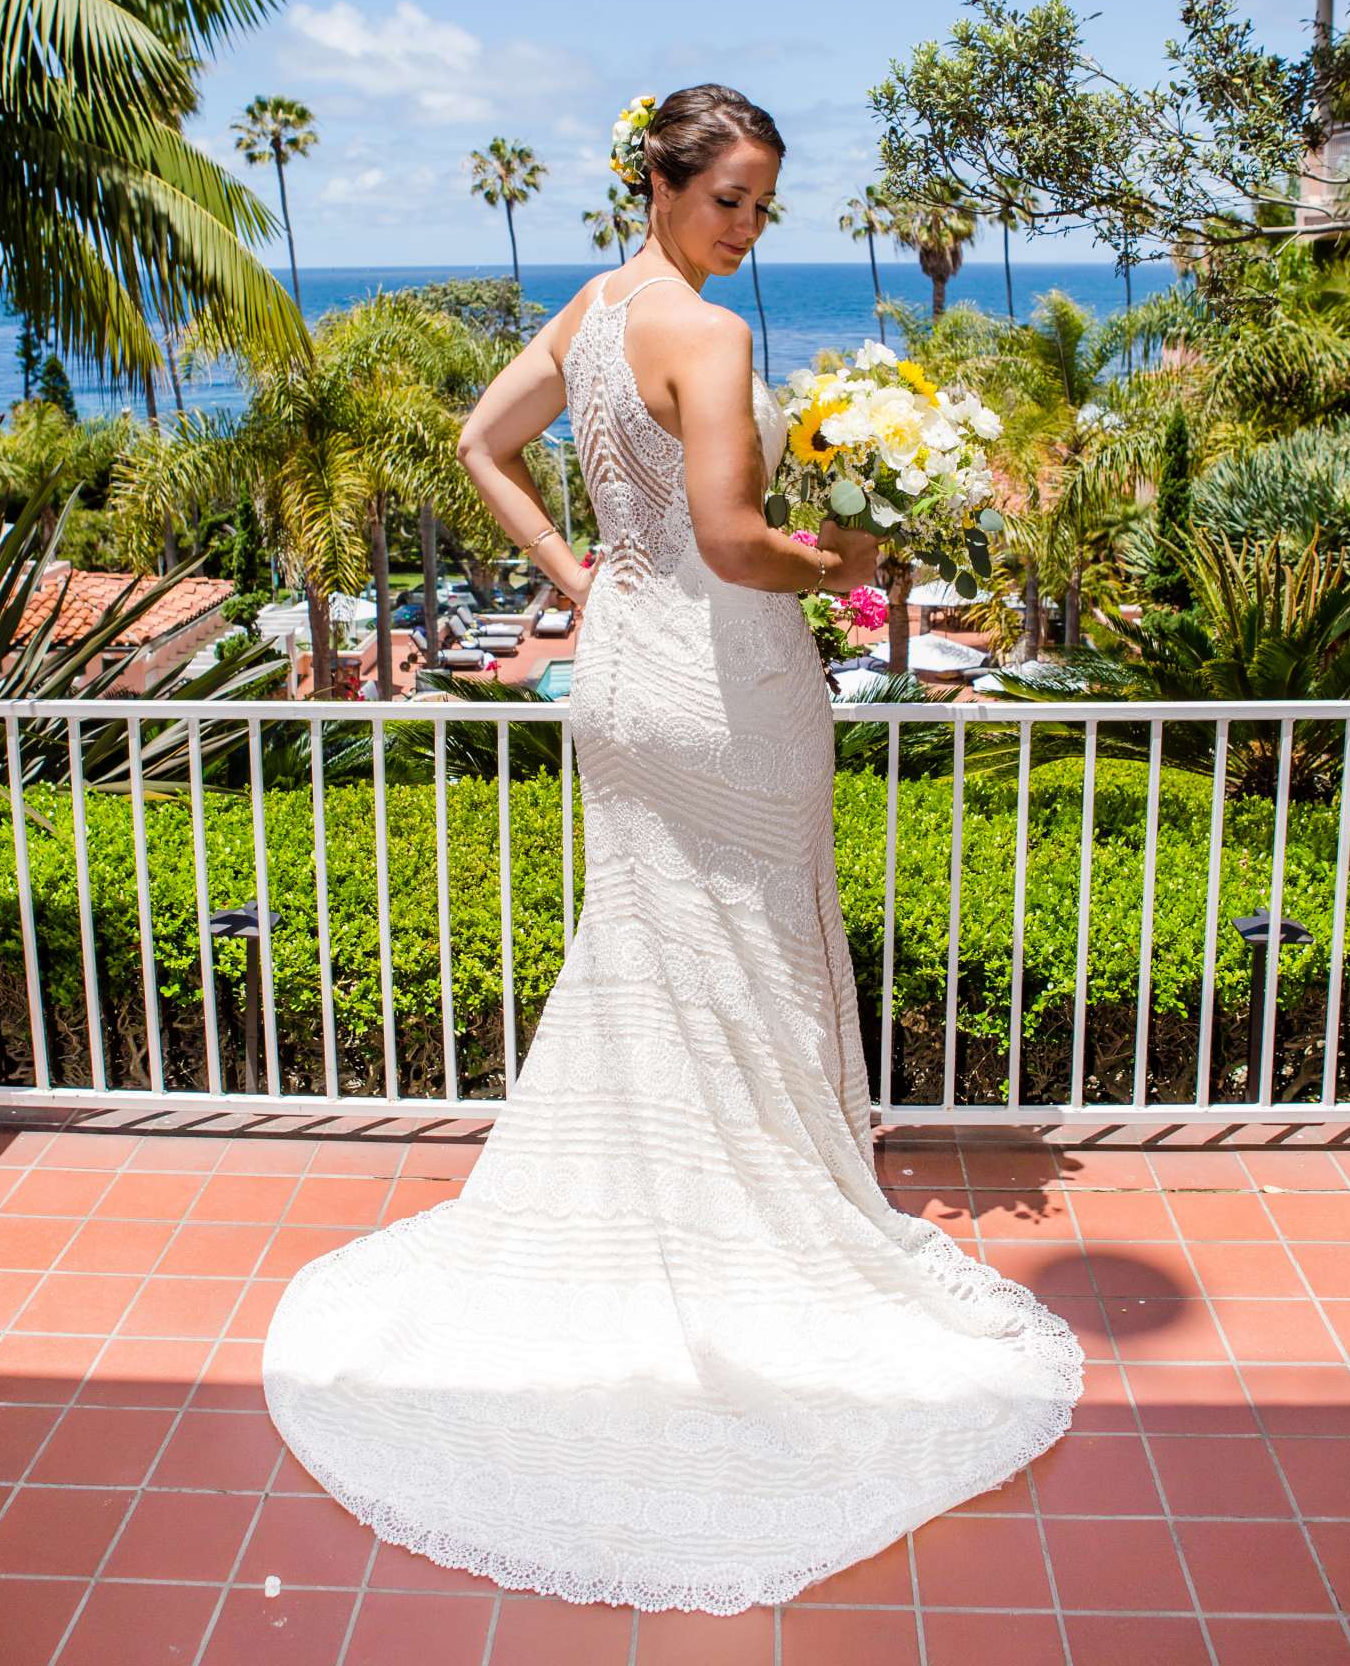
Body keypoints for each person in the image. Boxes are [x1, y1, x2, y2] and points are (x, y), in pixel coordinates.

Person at [263, 83, 1083, 1613]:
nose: (750, 228)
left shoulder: (593, 309)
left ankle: (664, 1204)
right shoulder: (709, 339)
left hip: (623, 674)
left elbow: (477, 442)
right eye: (732, 201)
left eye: (766, 207)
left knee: (655, 940)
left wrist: (583, 576)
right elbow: (728, 536)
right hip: (723, 682)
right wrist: (857, 552)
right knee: (755, 940)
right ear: (663, 180)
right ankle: (751, 1226)